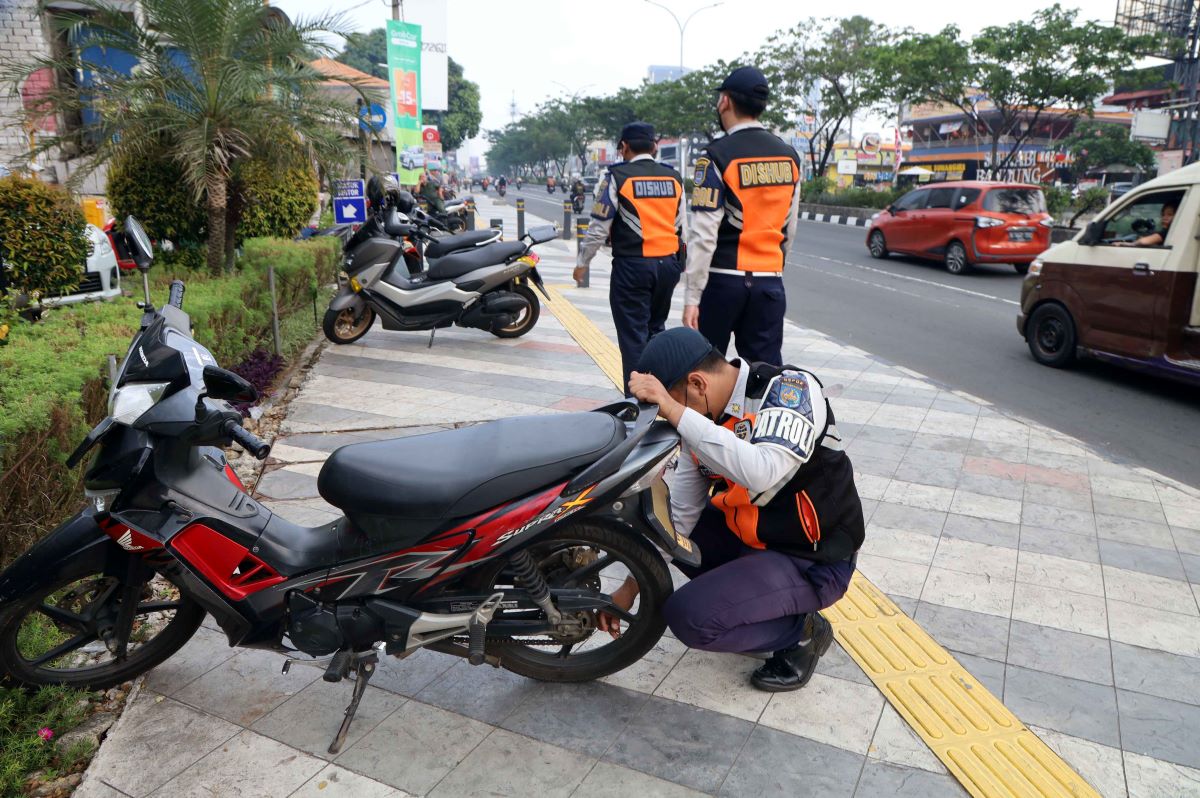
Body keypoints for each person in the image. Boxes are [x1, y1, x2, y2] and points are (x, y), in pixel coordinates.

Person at [600, 327, 864, 691]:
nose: (671, 418)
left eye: (669, 406)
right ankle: (751, 598)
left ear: (697, 384)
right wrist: (631, 586)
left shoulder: (789, 390)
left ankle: (801, 631)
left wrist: (675, 412)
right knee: (662, 526)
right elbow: (680, 516)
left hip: (812, 558)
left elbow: (762, 471)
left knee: (690, 618)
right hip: (752, 539)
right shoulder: (701, 420)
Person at [684, 66, 803, 366]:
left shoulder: (715, 156)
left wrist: (692, 297)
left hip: (722, 282)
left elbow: (703, 235)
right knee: (764, 375)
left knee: (706, 372)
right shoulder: (789, 157)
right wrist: (772, 271)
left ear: (725, 101)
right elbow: (789, 228)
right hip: (769, 284)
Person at [575, 121, 686, 391]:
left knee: (633, 338)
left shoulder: (617, 177)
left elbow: (599, 227)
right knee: (656, 332)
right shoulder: (673, 178)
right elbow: (681, 226)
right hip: (668, 266)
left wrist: (582, 263)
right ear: (655, 147)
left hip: (633, 267)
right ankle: (661, 396)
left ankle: (637, 404)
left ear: (624, 147)